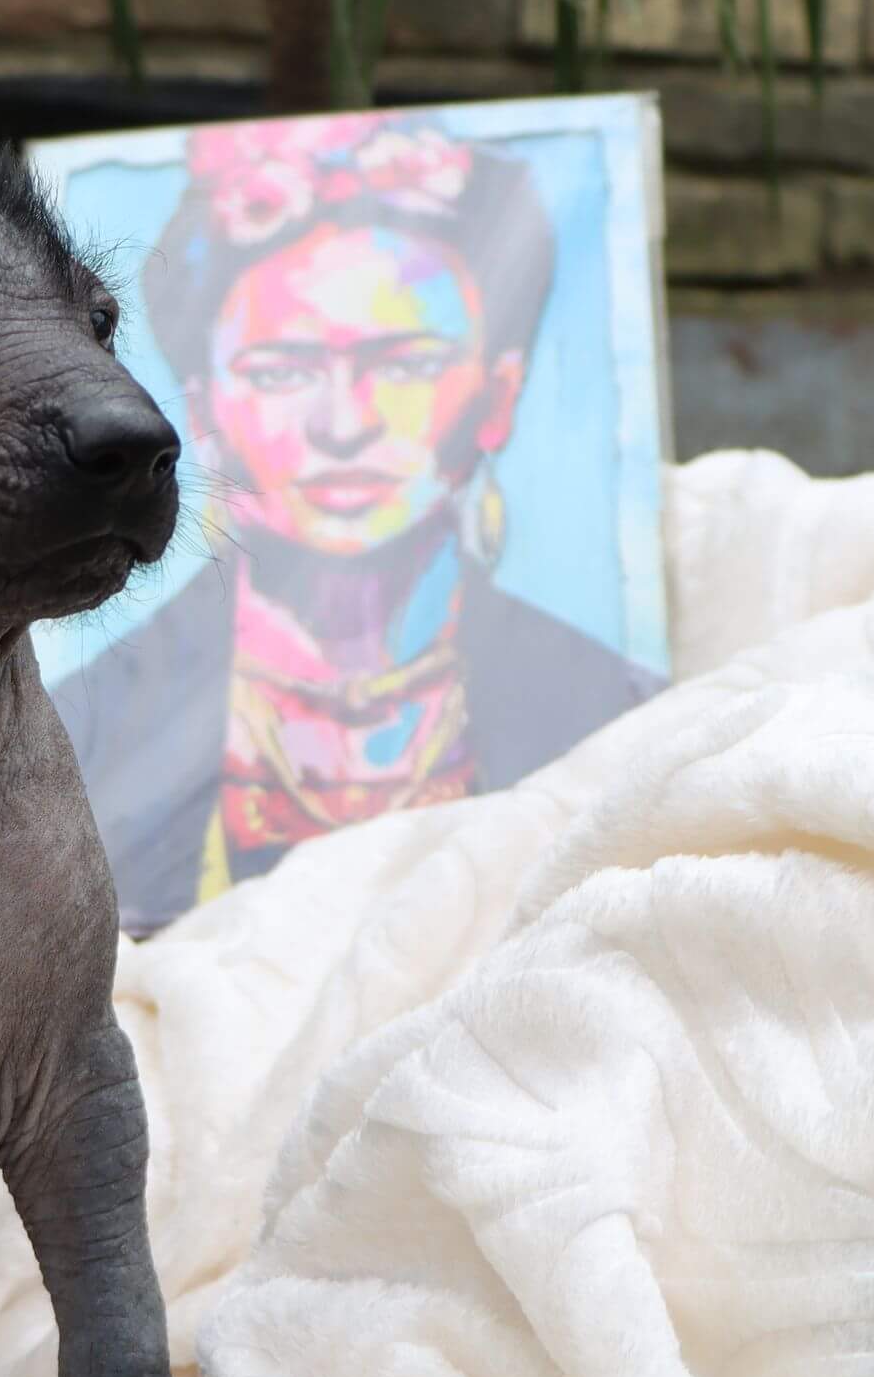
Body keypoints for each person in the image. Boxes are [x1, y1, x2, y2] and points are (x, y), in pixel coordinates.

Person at [51, 113, 663, 934]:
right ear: (207, 409)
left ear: (499, 394)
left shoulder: (617, 714)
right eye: (282, 370)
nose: (344, 425)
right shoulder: (78, 726)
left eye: (406, 364)